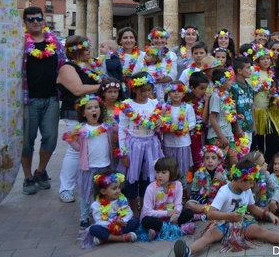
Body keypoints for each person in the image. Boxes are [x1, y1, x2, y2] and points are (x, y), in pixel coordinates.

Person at [173, 159, 279, 257]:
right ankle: (186, 252)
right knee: (209, 236)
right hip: (222, 222)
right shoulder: (224, 191)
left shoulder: (246, 190)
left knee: (262, 232)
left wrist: (268, 215)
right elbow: (211, 214)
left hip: (241, 222)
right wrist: (230, 216)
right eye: (251, 183)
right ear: (241, 181)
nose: (252, 186)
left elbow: (252, 208)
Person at [21, 7, 66, 195]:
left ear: (43, 20)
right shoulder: (19, 44)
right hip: (28, 100)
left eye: (39, 18)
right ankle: (27, 177)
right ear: (25, 22)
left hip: (51, 99)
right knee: (26, 142)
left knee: (50, 139)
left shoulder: (55, 43)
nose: (36, 21)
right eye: (31, 19)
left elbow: (64, 68)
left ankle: (40, 171)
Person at [56, 35, 102, 202]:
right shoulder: (67, 68)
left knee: (94, 148)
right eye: (85, 47)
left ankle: (93, 187)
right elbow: (78, 89)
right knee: (76, 150)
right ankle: (65, 188)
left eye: (89, 46)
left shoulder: (91, 66)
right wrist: (106, 86)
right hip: (75, 113)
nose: (89, 50)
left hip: (94, 112)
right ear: (74, 50)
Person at [118, 72, 165, 216]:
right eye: (142, 90)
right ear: (134, 89)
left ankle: (146, 209)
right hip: (134, 145)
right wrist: (124, 153)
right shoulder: (127, 106)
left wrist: (160, 123)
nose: (146, 93)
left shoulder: (155, 104)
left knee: (149, 177)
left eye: (149, 90)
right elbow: (122, 129)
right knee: (133, 178)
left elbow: (159, 125)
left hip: (151, 144)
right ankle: (133, 211)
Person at [62, 95, 113, 229]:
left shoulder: (106, 127)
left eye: (96, 107)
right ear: (83, 113)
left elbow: (117, 133)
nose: (94, 110)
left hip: (105, 165)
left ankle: (102, 215)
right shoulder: (82, 130)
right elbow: (78, 148)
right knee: (86, 193)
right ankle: (84, 217)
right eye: (89, 108)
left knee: (103, 193)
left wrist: (114, 122)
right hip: (89, 167)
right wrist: (70, 138)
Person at [141, 157, 195, 240]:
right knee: (146, 220)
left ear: (172, 172)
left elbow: (178, 204)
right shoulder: (151, 188)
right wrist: (167, 213)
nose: (159, 175)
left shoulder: (178, 185)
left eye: (163, 172)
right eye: (158, 172)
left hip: (171, 218)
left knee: (189, 212)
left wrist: (175, 215)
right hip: (156, 218)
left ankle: (159, 231)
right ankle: (177, 230)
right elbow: (147, 211)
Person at [88, 172, 139, 245]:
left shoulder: (122, 199)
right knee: (93, 229)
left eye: (119, 187)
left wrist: (123, 221)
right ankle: (121, 238)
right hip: (107, 227)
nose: (118, 190)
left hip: (121, 226)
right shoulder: (96, 204)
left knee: (135, 222)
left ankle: (106, 239)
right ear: (103, 191)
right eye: (114, 188)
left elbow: (129, 212)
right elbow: (99, 221)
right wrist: (114, 222)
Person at [161, 82, 195, 190]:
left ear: (184, 93)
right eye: (173, 91)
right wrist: (166, 127)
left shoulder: (188, 107)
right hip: (168, 144)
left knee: (182, 171)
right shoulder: (164, 107)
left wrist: (183, 129)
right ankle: (168, 192)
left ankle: (183, 192)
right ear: (169, 93)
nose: (176, 94)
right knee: (169, 170)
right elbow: (160, 122)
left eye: (179, 91)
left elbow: (192, 123)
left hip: (183, 144)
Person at [208, 68, 242, 167]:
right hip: (217, 136)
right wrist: (222, 136)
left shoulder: (227, 95)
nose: (231, 81)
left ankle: (232, 181)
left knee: (234, 162)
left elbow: (227, 114)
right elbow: (212, 119)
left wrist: (237, 116)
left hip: (228, 134)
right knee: (219, 163)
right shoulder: (215, 97)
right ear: (221, 83)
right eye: (228, 80)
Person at [185, 145, 227, 221]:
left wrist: (223, 180)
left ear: (219, 161)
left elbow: (227, 192)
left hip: (217, 202)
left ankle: (204, 215)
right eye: (207, 158)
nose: (210, 161)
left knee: (227, 205)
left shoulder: (222, 173)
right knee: (189, 205)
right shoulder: (198, 173)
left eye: (213, 158)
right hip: (203, 202)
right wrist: (207, 203)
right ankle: (212, 214)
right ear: (203, 161)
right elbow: (194, 193)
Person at [231, 57, 255, 149]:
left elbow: (251, 107)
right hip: (239, 129)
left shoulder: (250, 88)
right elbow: (232, 109)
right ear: (240, 71)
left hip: (249, 127)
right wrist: (237, 127)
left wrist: (254, 126)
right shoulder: (233, 88)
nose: (250, 70)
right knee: (240, 156)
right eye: (248, 68)